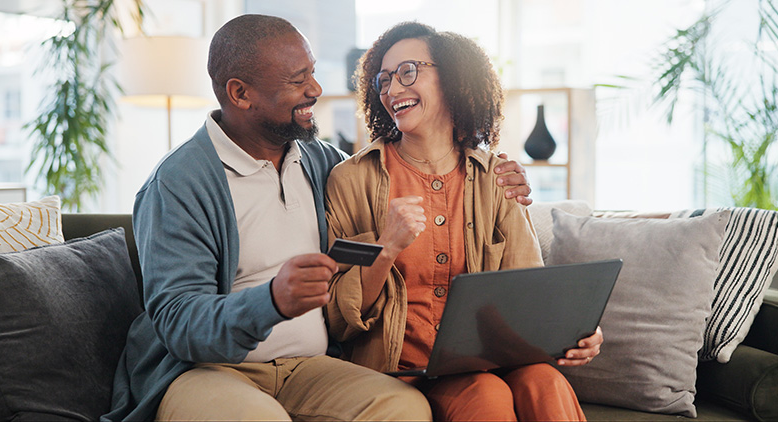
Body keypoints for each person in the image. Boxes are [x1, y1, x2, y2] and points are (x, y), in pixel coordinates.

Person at [103, 15, 532, 421]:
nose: (316, 89)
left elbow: (392, 172)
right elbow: (179, 321)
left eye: (312, 72)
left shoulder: (321, 162)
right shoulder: (179, 183)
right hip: (207, 370)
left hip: (309, 367)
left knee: (404, 409)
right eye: (298, 80)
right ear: (240, 93)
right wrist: (271, 301)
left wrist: (496, 171)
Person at [325, 22, 602, 421]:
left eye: (407, 72)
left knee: (546, 382)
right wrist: (387, 247)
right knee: (484, 393)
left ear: (453, 78)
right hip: (401, 371)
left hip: (488, 360)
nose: (392, 91)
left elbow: (527, 288)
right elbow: (339, 317)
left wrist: (576, 333)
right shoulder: (352, 180)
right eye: (384, 80)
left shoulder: (497, 177)